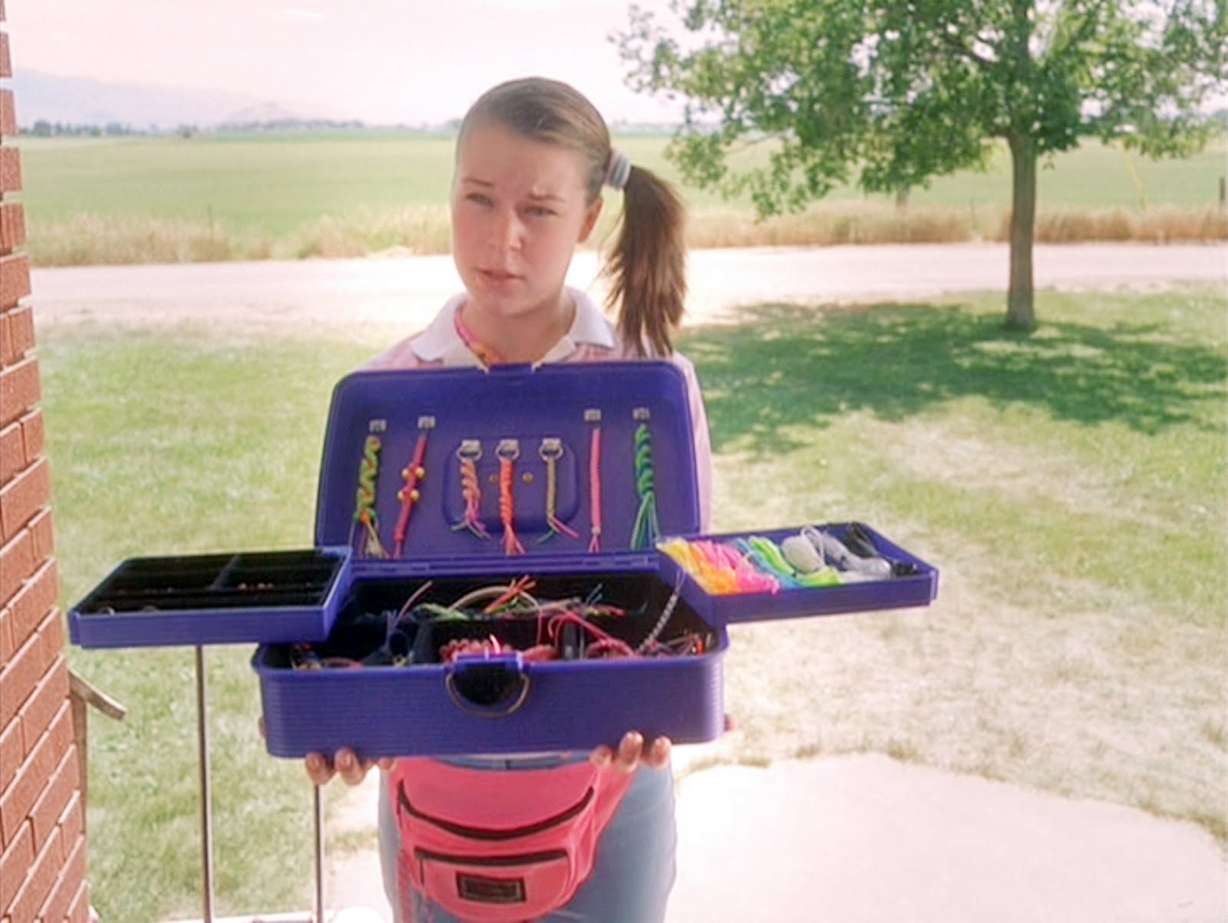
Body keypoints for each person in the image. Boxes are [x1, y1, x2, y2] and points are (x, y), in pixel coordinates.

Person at [307, 76, 713, 922]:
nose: (504, 239)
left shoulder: (651, 384)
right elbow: (350, 610)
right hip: (433, 797)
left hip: (611, 793)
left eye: (539, 210)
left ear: (592, 219)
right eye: (478, 201)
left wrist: (664, 695)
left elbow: (686, 589)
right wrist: (343, 715)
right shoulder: (389, 389)